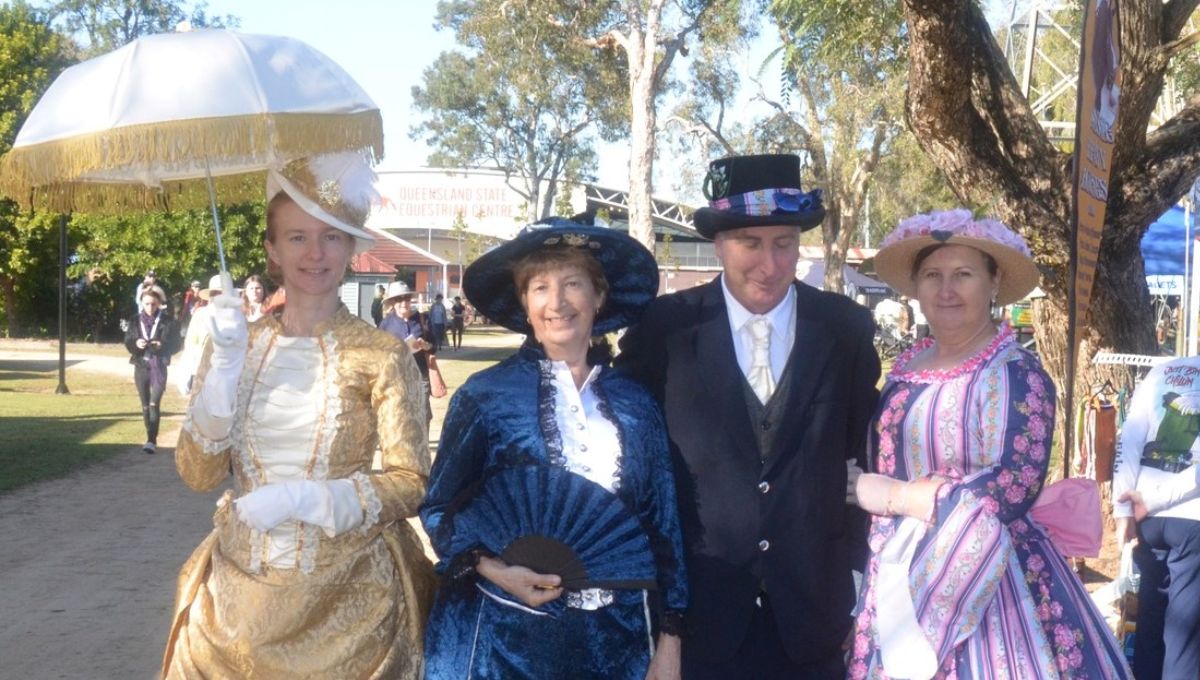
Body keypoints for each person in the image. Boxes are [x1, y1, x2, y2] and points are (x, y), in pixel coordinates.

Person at [161, 151, 434, 679]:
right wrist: (221, 376)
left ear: (352, 246)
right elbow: (197, 474)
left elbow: (412, 482)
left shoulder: (381, 353)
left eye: (331, 236)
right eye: (296, 237)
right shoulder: (239, 344)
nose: (315, 253)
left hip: (351, 607)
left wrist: (309, 498)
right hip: (234, 609)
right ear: (272, 250)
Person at [616, 153, 878, 678]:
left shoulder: (844, 329)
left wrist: (856, 581)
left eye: (783, 244)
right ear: (718, 243)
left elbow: (862, 459)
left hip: (814, 620)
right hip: (699, 623)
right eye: (750, 244)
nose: (769, 263)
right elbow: (632, 467)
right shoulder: (664, 332)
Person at [848, 208, 1131, 678]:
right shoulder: (903, 372)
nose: (946, 290)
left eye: (964, 274)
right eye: (933, 275)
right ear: (915, 288)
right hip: (899, 571)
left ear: (993, 282)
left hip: (993, 577)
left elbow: (1012, 485)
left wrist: (898, 497)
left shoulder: (1015, 371)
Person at [420, 218, 688, 679]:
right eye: (540, 287)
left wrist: (670, 641)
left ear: (598, 297)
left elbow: (664, 526)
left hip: (617, 643)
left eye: (573, 284)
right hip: (506, 641)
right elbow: (440, 509)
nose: (557, 302)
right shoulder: (486, 397)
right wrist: (497, 569)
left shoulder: (636, 404)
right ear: (525, 304)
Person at [1113, 356, 1200, 680]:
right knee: (1184, 638)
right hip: (1191, 519)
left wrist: (1124, 509)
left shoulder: (1162, 371)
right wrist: (1148, 502)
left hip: (1146, 518)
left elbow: (1130, 440)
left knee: (1149, 622)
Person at [379, 281, 446, 425]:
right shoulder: (386, 324)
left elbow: (434, 346)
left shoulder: (423, 319)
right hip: (396, 378)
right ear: (392, 302)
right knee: (399, 418)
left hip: (420, 376)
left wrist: (426, 345)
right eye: (399, 299)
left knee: (423, 416)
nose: (404, 302)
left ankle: (422, 446)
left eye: (407, 298)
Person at [123, 285, 178, 454]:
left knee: (154, 403)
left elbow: (176, 344)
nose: (150, 308)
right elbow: (128, 341)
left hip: (159, 365)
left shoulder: (168, 321)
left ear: (159, 303)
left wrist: (162, 345)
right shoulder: (134, 320)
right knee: (145, 405)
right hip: (141, 365)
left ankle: (151, 440)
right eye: (146, 304)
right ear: (142, 303)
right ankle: (149, 434)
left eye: (153, 304)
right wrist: (136, 344)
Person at [173, 274, 222, 396]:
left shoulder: (234, 316)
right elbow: (190, 342)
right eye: (216, 293)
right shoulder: (201, 314)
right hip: (200, 366)